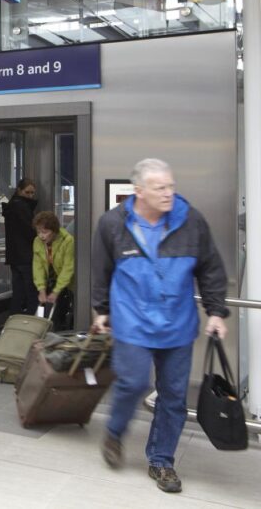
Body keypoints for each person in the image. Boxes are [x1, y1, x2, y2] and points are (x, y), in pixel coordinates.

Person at [92, 158, 228, 494]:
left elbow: (210, 267)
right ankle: (115, 431)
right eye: (160, 187)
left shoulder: (191, 220)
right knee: (134, 383)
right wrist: (101, 310)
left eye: (171, 186)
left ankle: (161, 460)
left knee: (174, 397)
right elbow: (101, 270)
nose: (169, 193)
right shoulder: (112, 223)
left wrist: (215, 311)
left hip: (177, 325)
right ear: (139, 191)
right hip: (132, 322)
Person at [32, 211, 74, 330]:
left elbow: (68, 268)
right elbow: (37, 266)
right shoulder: (37, 242)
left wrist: (56, 291)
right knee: (47, 311)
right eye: (38, 231)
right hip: (51, 280)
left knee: (68, 310)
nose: (41, 235)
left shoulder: (68, 241)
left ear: (54, 231)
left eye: (45, 232)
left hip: (69, 282)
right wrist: (41, 289)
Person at [3, 178, 38, 315]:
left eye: (32, 193)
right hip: (26, 256)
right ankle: (30, 322)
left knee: (18, 292)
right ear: (19, 190)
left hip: (15, 257)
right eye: (27, 192)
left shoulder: (12, 206)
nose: (30, 196)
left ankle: (14, 320)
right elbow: (30, 231)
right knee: (31, 293)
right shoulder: (22, 207)